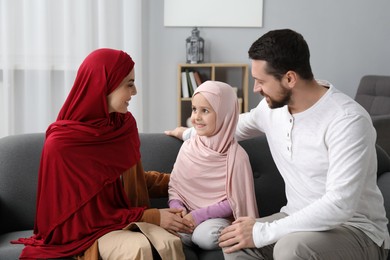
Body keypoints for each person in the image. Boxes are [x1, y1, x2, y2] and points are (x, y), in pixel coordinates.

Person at [166, 29, 390, 259]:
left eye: (260, 81)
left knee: (290, 248)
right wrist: (189, 133)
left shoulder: (347, 120)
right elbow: (230, 126)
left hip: (355, 229)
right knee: (233, 239)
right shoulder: (271, 110)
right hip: (294, 217)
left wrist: (263, 231)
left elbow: (339, 204)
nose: (255, 88)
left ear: (290, 78)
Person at [13, 48, 193, 260]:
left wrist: (183, 182)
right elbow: (75, 217)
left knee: (169, 242)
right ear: (105, 85)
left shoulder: (123, 125)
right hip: (89, 232)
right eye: (129, 84)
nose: (134, 92)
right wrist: (152, 216)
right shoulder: (62, 144)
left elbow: (129, 182)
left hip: (127, 220)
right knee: (138, 249)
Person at [168, 81, 259, 250]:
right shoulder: (188, 147)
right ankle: (185, 234)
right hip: (185, 215)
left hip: (214, 220)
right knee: (167, 230)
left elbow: (234, 201)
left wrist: (197, 216)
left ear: (224, 114)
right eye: (194, 109)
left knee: (206, 236)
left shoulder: (237, 157)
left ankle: (190, 236)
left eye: (205, 111)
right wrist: (177, 209)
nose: (196, 117)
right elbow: (175, 186)